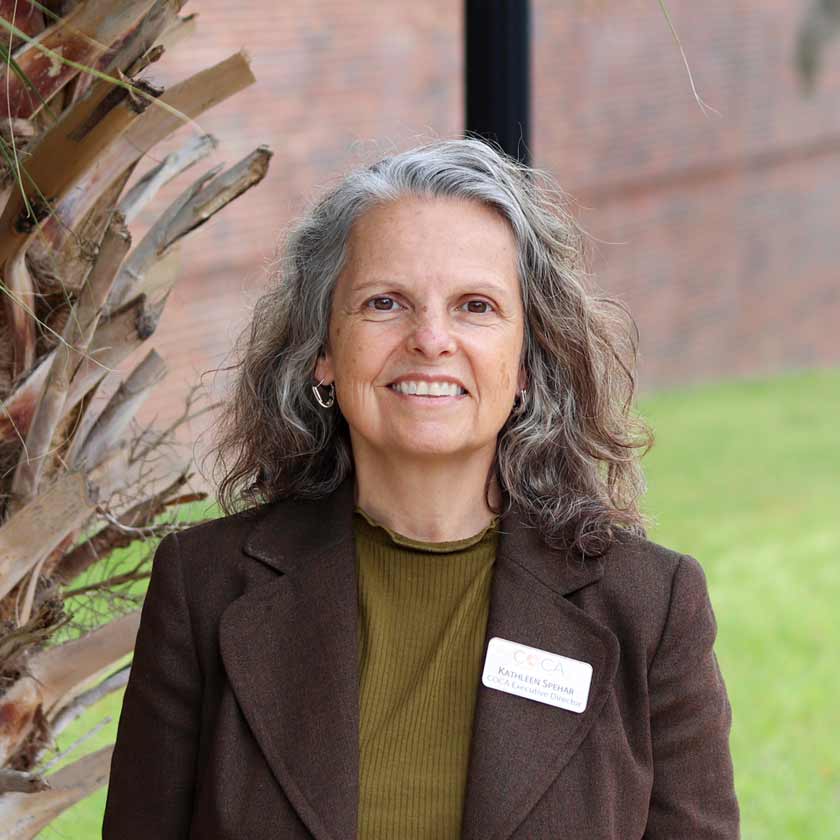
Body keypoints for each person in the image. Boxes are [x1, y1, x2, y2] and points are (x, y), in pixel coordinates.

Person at [102, 137, 740, 839]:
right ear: (322, 350)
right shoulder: (206, 590)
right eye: (385, 302)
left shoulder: (649, 610)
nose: (431, 339)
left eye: (475, 306)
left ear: (527, 361)